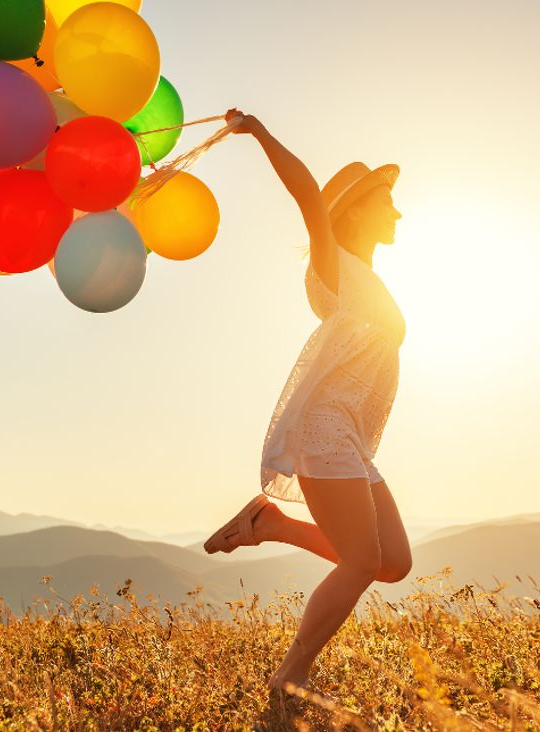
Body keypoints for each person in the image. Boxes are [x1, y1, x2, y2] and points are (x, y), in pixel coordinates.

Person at [202, 108, 413, 698]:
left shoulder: (370, 278)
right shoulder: (335, 267)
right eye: (385, 200)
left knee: (391, 561)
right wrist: (261, 134)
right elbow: (307, 198)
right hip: (323, 429)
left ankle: (269, 523)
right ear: (355, 210)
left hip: (350, 436)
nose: (397, 210)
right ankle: (289, 679)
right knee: (360, 563)